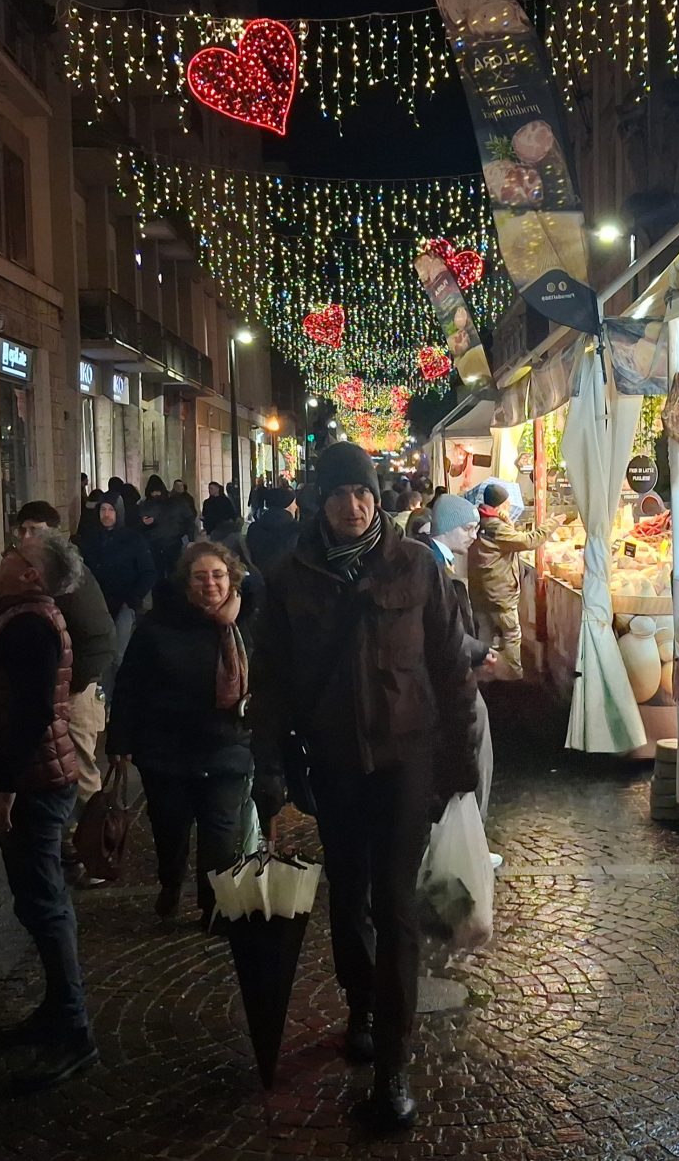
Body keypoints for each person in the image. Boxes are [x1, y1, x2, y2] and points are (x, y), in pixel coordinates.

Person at [251, 441, 477, 1130]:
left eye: (364, 493)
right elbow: (270, 680)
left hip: (406, 758)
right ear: (319, 500)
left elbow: (451, 668)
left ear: (378, 498)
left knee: (396, 904)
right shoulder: (289, 577)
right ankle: (361, 1006)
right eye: (340, 493)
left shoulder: (417, 564)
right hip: (335, 760)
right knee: (349, 896)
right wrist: (270, 766)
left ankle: (393, 1068)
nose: (353, 505)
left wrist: (460, 766)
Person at [0, 530, 98, 1092]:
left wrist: (4, 785)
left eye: (12, 554)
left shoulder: (28, 624)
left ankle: (73, 1029)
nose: (1, 556)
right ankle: (56, 1011)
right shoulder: (24, 617)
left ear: (30, 575)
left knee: (45, 906)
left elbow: (31, 712)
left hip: (36, 785)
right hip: (36, 777)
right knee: (39, 902)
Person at [107, 541, 256, 924]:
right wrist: (120, 740)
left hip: (227, 748)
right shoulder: (157, 627)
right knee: (170, 832)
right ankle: (171, 882)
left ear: (232, 578)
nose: (211, 584)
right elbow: (130, 685)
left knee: (221, 836)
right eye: (200, 577)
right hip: (167, 754)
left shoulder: (246, 624)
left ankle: (213, 907)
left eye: (218, 575)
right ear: (186, 583)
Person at [15, 502, 117, 886]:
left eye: (36, 530)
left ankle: (95, 854)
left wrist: (73, 685)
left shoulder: (71, 576)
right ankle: (69, 853)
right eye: (23, 530)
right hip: (55, 692)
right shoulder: (34, 575)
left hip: (75, 694)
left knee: (81, 773)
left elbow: (100, 636)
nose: (28, 538)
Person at [420, 492, 498, 815]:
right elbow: (444, 629)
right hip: (446, 675)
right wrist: (480, 650)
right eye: (468, 528)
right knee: (472, 736)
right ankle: (471, 823)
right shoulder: (434, 566)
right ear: (448, 527)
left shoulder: (438, 561)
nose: (473, 536)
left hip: (449, 668)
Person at [469, 483, 556, 680]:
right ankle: (513, 677)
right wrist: (552, 524)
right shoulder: (495, 527)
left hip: (479, 593)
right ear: (500, 505)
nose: (509, 506)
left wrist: (507, 523)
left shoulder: (479, 522)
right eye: (507, 503)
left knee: (485, 635)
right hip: (499, 594)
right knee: (511, 634)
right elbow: (529, 541)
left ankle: (484, 678)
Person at [74, 494, 155, 703]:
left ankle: (121, 697)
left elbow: (148, 572)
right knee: (100, 654)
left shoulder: (133, 539)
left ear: (119, 512)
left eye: (111, 510)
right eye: (103, 510)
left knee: (119, 653)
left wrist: (133, 599)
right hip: (97, 605)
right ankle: (104, 699)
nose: (106, 515)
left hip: (123, 604)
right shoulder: (91, 539)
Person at [246, 486, 300, 570]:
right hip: (287, 575)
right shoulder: (295, 529)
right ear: (287, 505)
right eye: (294, 503)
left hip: (260, 574)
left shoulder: (254, 528)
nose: (296, 506)